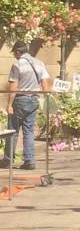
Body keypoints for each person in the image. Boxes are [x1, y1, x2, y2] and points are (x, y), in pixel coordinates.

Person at [1, 41, 50, 170]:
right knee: (28, 131)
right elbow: (45, 83)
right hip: (34, 99)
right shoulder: (39, 63)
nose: (14, 56)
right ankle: (29, 161)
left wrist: (9, 104)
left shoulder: (17, 65)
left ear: (18, 51)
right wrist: (46, 99)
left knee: (13, 131)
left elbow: (13, 87)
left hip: (20, 100)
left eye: (14, 53)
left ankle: (7, 160)